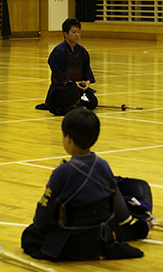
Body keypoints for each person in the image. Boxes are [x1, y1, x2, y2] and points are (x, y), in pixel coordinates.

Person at [21, 108, 148, 261]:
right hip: (99, 240)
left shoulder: (62, 172)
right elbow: (122, 214)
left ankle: (75, 253)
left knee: (29, 235)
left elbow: (42, 217)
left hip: (71, 241)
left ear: (67, 139)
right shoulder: (104, 165)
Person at [36, 18, 98, 115]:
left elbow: (86, 69)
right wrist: (72, 83)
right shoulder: (58, 52)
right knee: (74, 105)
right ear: (65, 34)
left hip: (78, 87)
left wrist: (87, 82)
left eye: (78, 32)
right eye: (73, 32)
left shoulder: (82, 51)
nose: (77, 35)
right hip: (62, 89)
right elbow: (59, 74)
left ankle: (78, 102)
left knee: (93, 102)